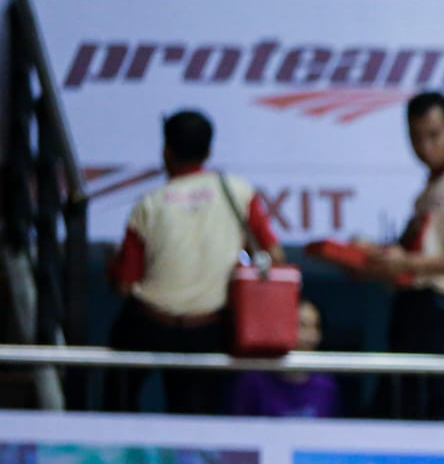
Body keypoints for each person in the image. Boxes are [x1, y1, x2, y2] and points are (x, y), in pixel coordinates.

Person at [106, 109, 285, 415]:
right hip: (209, 330)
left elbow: (124, 285)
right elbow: (275, 257)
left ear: (166, 151)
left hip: (149, 325)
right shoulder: (239, 192)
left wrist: (111, 262)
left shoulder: (149, 205)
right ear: (209, 150)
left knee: (116, 401)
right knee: (195, 418)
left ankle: (119, 454)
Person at [361, 91, 444, 422]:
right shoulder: (432, 188)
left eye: (434, 135)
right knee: (401, 396)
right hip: (416, 303)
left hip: (440, 307)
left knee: (425, 398)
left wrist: (408, 264)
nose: (425, 146)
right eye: (416, 137)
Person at [229, 298, 341, 419]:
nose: (311, 336)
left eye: (316, 326)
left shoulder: (325, 385)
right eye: (301, 325)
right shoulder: (254, 382)